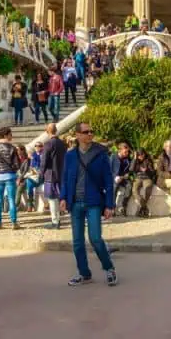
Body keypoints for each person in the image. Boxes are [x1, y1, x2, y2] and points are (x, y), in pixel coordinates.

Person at [60, 122, 118, 286]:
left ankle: (109, 268)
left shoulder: (100, 154)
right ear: (78, 135)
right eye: (86, 132)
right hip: (75, 202)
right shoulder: (70, 155)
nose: (90, 134)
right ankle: (84, 274)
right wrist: (63, 197)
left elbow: (108, 181)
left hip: (93, 202)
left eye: (92, 131)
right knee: (77, 241)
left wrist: (109, 205)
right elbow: (65, 178)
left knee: (95, 239)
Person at [0, 127, 22, 230]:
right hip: (10, 176)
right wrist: (12, 169)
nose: (11, 136)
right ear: (5, 135)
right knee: (11, 199)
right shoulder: (12, 148)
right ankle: (14, 222)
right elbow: (17, 164)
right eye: (10, 134)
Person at [40, 123, 66, 229]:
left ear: (47, 132)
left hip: (50, 175)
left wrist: (41, 173)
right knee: (59, 197)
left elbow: (44, 160)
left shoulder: (48, 144)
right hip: (61, 174)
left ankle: (55, 221)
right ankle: (58, 219)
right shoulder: (62, 143)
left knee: (52, 199)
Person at [131, 149, 157, 217]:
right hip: (138, 178)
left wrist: (147, 170)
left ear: (144, 154)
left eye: (142, 154)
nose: (141, 156)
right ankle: (145, 207)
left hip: (147, 177)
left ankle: (142, 209)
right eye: (139, 155)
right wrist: (134, 158)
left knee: (147, 189)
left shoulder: (148, 160)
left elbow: (153, 172)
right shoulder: (135, 160)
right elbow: (131, 169)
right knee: (134, 190)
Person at [110, 141, 133, 217]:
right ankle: (112, 209)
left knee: (129, 186)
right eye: (125, 152)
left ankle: (123, 206)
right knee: (114, 187)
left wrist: (127, 175)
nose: (127, 153)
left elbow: (130, 170)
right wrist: (115, 177)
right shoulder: (113, 157)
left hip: (124, 178)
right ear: (120, 150)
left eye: (127, 152)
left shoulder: (128, 158)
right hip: (114, 178)